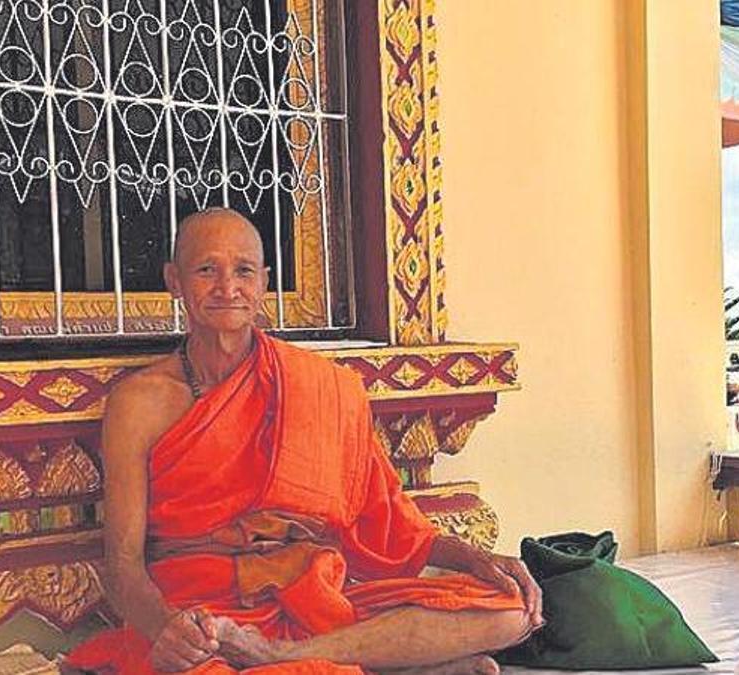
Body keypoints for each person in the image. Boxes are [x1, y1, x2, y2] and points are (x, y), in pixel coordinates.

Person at [66, 209, 543, 674]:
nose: (227, 287)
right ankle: (379, 664)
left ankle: (277, 657)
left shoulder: (319, 385)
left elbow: (391, 524)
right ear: (174, 281)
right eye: (207, 270)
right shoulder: (140, 402)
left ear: (264, 283)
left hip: (315, 597)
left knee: (511, 608)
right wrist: (168, 629)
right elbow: (123, 564)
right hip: (203, 610)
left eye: (244, 271)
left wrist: (479, 559)